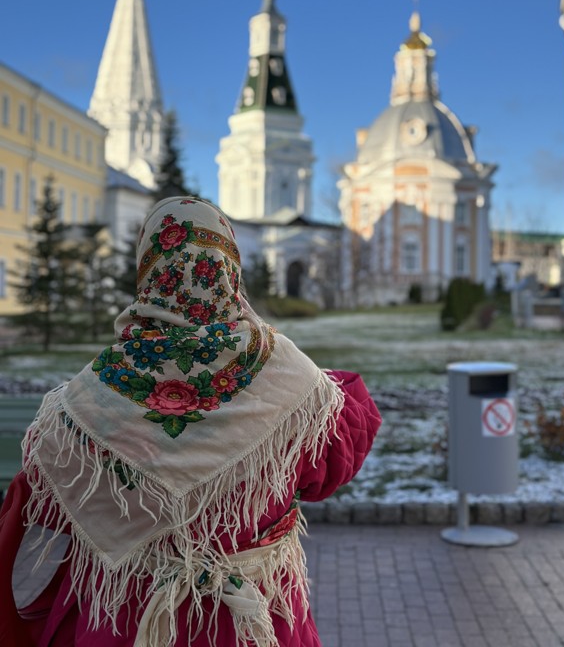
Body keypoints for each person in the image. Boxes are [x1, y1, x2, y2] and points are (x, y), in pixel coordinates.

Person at [0, 197, 381, 647]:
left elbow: (45, 506)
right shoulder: (291, 381)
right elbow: (329, 471)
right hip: (251, 621)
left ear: (147, 273)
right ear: (229, 270)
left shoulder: (87, 398)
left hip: (123, 617)